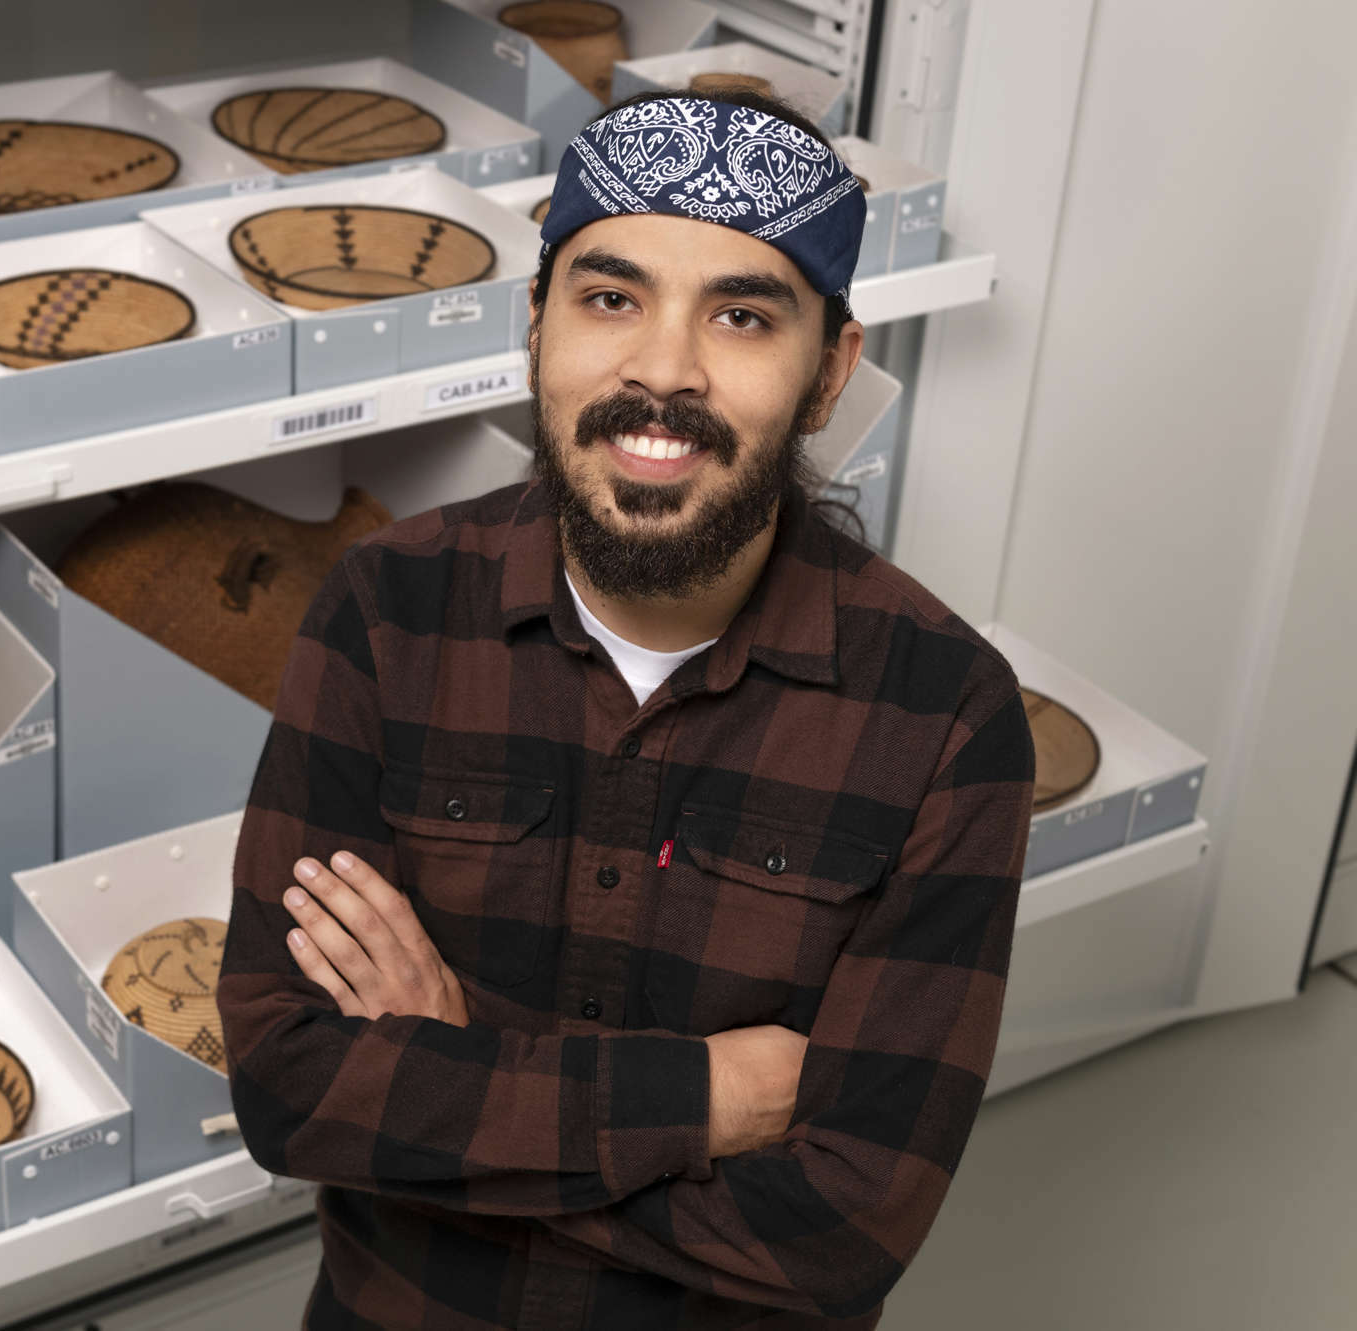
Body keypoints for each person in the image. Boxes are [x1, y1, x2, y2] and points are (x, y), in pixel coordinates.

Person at [216, 88, 1036, 1330]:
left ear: (830, 373)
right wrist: (708, 1096)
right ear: (534, 323)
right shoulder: (386, 611)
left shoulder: (948, 716)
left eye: (743, 315)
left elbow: (844, 1227)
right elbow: (290, 1087)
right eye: (610, 298)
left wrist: (450, 1070)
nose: (663, 369)